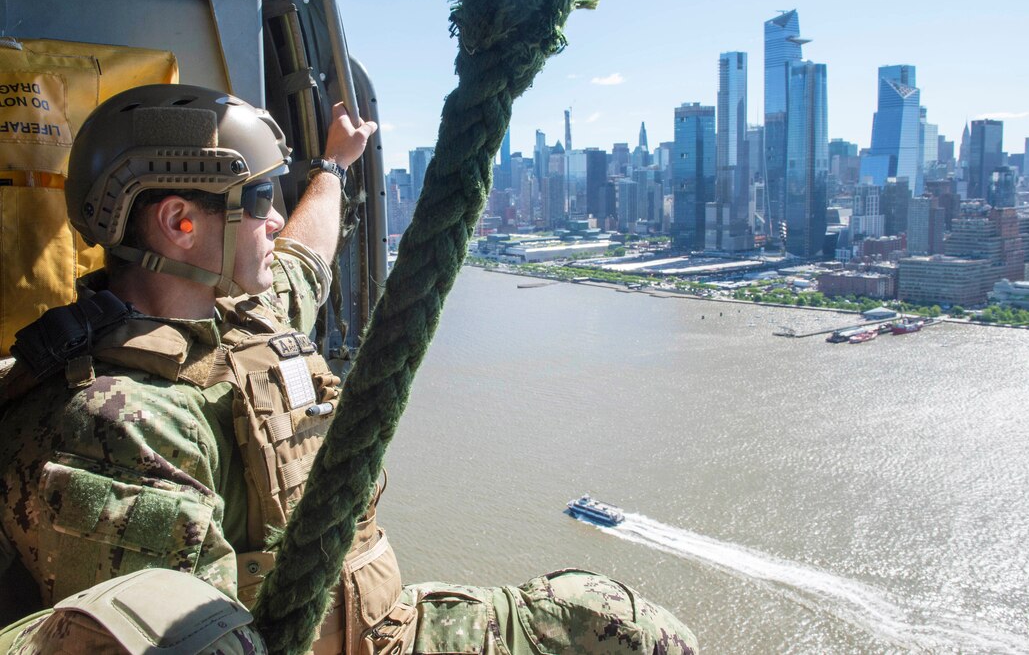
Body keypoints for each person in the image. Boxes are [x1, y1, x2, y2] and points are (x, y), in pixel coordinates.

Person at [0, 84, 697, 654]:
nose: (275, 219)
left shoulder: (243, 314)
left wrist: (334, 164)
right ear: (180, 222)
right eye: (261, 198)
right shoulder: (116, 425)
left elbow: (308, 255)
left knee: (618, 624)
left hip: (387, 628)